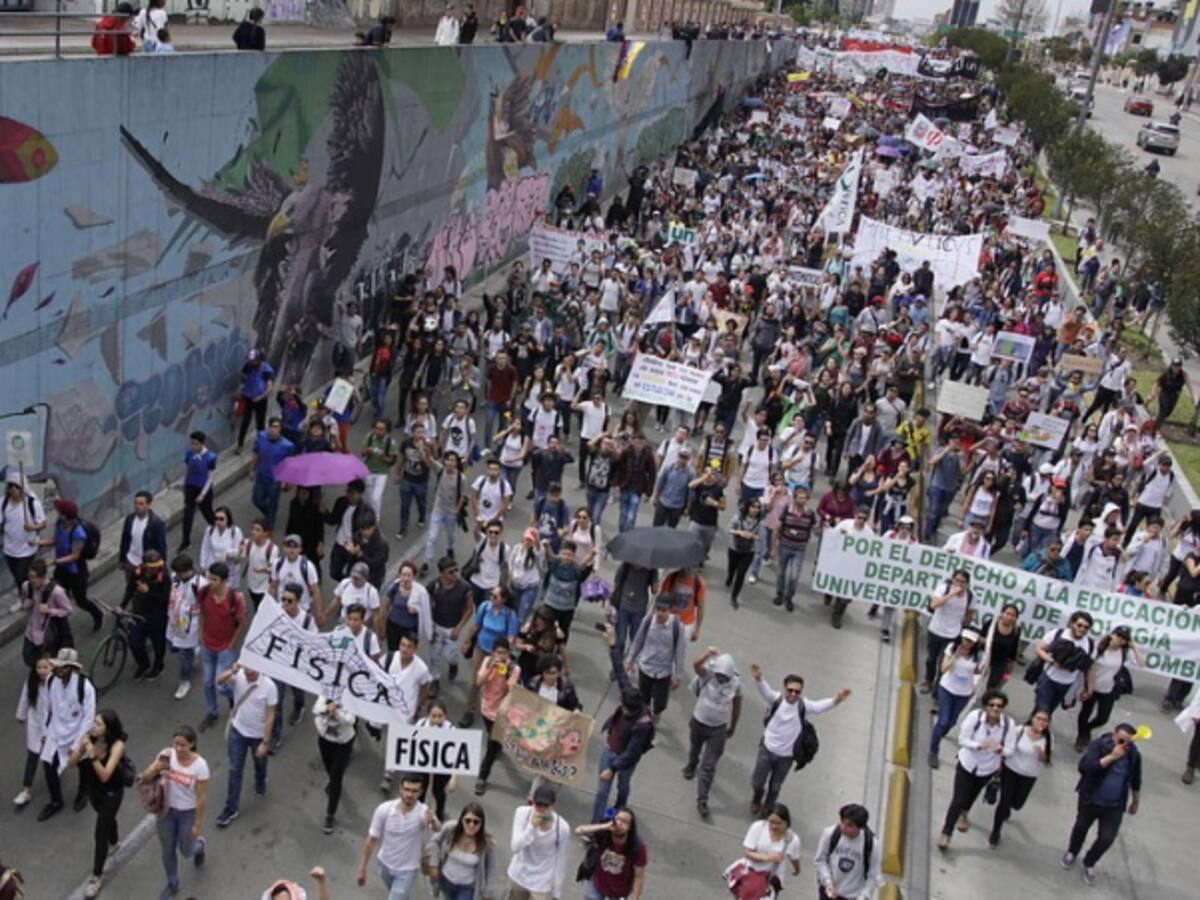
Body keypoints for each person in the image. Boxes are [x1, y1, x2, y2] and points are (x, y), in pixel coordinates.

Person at [748, 663, 851, 816]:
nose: (794, 694)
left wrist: (837, 699)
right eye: (790, 690)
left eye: (797, 691)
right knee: (757, 782)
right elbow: (765, 690)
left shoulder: (803, 706)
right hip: (767, 749)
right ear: (784, 688)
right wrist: (758, 678)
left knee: (775, 787)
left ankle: (768, 807)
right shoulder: (775, 700)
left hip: (787, 756)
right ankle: (757, 798)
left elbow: (820, 706)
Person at [1063, 723, 1142, 886]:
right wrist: (1112, 757)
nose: (1124, 745)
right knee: (1081, 827)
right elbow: (1085, 767)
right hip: (1091, 799)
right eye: (1121, 741)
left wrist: (1135, 800)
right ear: (1114, 735)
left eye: (1128, 742)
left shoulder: (1133, 754)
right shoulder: (1098, 746)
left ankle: (1090, 862)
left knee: (1107, 838)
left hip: (1115, 804)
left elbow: (1136, 779)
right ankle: (1072, 852)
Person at [595, 625, 658, 823]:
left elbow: (631, 752)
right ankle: (596, 825)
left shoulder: (643, 725)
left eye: (625, 709)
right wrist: (613, 644)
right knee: (601, 792)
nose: (621, 709)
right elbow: (620, 671)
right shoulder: (629, 693)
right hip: (610, 747)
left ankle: (618, 809)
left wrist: (613, 768)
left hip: (625, 758)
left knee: (623, 785)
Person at [936, 689, 1011, 850]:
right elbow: (963, 739)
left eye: (999, 706)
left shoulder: (1007, 725)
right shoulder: (975, 718)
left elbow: (1010, 750)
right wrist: (978, 745)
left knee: (973, 794)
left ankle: (965, 813)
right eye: (992, 705)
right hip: (967, 763)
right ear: (985, 706)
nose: (995, 709)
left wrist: (1001, 750)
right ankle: (946, 832)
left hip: (987, 768)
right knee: (958, 799)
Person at [66, 709, 128, 899]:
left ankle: (96, 876)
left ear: (107, 728)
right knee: (107, 819)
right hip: (94, 791)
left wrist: (92, 755)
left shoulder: (117, 745)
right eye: (94, 722)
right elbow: (70, 763)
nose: (93, 726)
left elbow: (105, 775)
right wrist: (80, 748)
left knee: (100, 833)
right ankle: (115, 841)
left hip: (112, 791)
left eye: (98, 724)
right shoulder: (89, 738)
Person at [142, 725, 209, 900]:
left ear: (192, 744)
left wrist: (198, 824)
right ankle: (172, 883)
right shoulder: (166, 756)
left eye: (183, 745)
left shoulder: (200, 766)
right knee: (167, 849)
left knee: (186, 850)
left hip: (188, 812)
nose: (179, 749)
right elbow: (144, 779)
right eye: (176, 744)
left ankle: (199, 846)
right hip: (167, 811)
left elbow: (201, 798)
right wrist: (155, 767)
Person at [214, 663, 278, 829]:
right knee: (235, 769)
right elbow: (219, 682)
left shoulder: (269, 686)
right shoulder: (239, 675)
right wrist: (232, 671)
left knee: (260, 763)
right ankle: (231, 808)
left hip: (258, 735)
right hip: (238, 731)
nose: (248, 673)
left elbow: (270, 716)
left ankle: (260, 780)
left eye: (252, 670)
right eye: (246, 669)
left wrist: (265, 742)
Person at [357, 772, 440, 898]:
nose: (409, 794)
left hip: (407, 870)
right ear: (400, 788)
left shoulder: (423, 812)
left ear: (421, 792)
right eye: (406, 789)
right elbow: (371, 839)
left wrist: (432, 820)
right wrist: (362, 867)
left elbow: (437, 829)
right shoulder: (384, 809)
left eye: (414, 791)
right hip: (384, 865)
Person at [38, 648, 96, 820]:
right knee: (49, 765)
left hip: (77, 733)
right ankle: (56, 801)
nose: (58, 670)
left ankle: (83, 793)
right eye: (57, 666)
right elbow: (48, 708)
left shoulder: (84, 687)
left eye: (63, 667)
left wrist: (77, 743)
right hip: (56, 733)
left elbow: (88, 717)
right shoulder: (51, 681)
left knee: (83, 766)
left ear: (71, 668)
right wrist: (45, 732)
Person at [684, 647, 741, 819]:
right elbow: (695, 665)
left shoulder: (736, 685)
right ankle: (691, 764)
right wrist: (706, 655)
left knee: (708, 766)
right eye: (719, 674)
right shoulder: (708, 675)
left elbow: (737, 706)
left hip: (718, 729)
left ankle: (702, 800)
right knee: (695, 747)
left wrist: (733, 726)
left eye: (724, 676)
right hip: (699, 721)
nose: (720, 678)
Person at [196, 562, 248, 732]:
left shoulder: (235, 599)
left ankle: (236, 698)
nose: (210, 582)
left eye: (215, 579)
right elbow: (202, 613)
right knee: (207, 682)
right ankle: (212, 712)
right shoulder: (203, 593)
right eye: (209, 578)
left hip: (225, 647)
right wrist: (200, 635)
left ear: (224, 581)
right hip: (207, 645)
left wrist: (232, 643)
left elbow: (240, 623)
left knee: (222, 685)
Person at [989, 708, 1051, 849]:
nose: (1041, 722)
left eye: (1045, 720)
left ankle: (1008, 809)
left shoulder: (1047, 738)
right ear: (1032, 718)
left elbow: (1047, 760)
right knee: (1004, 802)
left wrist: (1042, 755)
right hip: (1011, 770)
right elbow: (1006, 747)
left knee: (1017, 803)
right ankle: (995, 831)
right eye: (1039, 718)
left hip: (1029, 775)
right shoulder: (1019, 731)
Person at [44, 498, 103, 632]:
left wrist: (54, 561)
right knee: (54, 594)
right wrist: (37, 543)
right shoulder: (59, 523)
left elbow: (75, 556)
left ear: (65, 515)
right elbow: (55, 540)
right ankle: (59, 625)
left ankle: (97, 614)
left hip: (76, 572)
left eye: (59, 511)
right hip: (61, 570)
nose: (57, 513)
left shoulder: (78, 533)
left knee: (81, 601)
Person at [471, 637, 520, 796]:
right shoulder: (487, 661)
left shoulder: (514, 669)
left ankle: (482, 776)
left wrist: (504, 674)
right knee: (493, 737)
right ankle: (497, 745)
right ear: (493, 652)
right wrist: (490, 668)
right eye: (498, 652)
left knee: (491, 748)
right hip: (486, 709)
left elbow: (509, 691)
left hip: (502, 713)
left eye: (505, 652)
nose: (502, 656)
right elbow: (478, 683)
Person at [928, 629, 985, 768]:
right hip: (947, 688)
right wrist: (955, 656)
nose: (967, 643)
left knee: (952, 721)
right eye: (965, 640)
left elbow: (978, 672)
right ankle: (933, 751)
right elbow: (943, 669)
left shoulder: (978, 655)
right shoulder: (952, 648)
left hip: (964, 693)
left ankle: (941, 732)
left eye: (971, 641)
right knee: (943, 720)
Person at [506, 783, 571, 900]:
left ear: (553, 806)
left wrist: (556, 891)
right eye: (538, 804)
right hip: (518, 876)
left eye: (546, 805)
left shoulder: (562, 828)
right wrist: (531, 827)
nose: (541, 809)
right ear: (533, 802)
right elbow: (515, 847)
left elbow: (561, 860)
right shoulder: (522, 813)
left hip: (541, 884)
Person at [724, 803, 802, 899]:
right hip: (750, 872)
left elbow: (794, 858)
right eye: (771, 822)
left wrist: (796, 869)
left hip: (770, 879)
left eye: (779, 823)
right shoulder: (758, 827)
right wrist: (769, 858)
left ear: (787, 822)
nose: (774, 826)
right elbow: (747, 852)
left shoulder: (792, 840)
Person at [626, 595, 686, 719]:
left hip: (664, 671)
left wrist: (678, 675)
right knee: (643, 699)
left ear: (670, 610)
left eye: (663, 610)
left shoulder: (677, 626)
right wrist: (630, 660)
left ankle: (656, 713)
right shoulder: (648, 621)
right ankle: (645, 718)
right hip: (646, 667)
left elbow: (680, 652)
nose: (659, 613)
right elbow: (638, 641)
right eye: (657, 609)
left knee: (660, 703)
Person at [575, 807, 647, 900]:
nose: (619, 823)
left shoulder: (638, 847)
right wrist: (605, 826)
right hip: (598, 883)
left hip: (620, 890)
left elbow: (639, 877)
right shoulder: (604, 833)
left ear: (630, 828)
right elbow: (578, 831)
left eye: (624, 822)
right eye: (618, 819)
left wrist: (635, 898)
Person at [813, 803, 883, 900]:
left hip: (853, 896)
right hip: (828, 892)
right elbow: (820, 860)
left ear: (860, 827)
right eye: (842, 822)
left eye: (849, 825)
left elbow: (873, 875)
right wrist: (828, 882)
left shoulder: (871, 844)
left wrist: (863, 896)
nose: (843, 827)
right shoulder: (830, 834)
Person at [429, 802, 496, 899]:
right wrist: (434, 864)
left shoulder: (487, 842)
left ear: (482, 824)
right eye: (468, 820)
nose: (471, 825)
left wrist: (488, 892)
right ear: (461, 820)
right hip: (446, 881)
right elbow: (435, 841)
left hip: (467, 888)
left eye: (476, 822)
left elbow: (491, 868)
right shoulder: (450, 828)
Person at [1033, 610, 1095, 716]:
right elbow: (1039, 648)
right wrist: (1052, 661)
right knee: (1042, 708)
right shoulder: (1058, 634)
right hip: (1049, 678)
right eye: (1079, 625)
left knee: (1049, 710)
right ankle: (1033, 728)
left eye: (1086, 627)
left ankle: (1035, 726)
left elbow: (1089, 667)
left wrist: (1089, 687)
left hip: (1067, 683)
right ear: (1072, 623)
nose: (1082, 629)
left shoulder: (1089, 643)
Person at [921, 570, 973, 694]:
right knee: (931, 659)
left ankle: (937, 689)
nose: (960, 584)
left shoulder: (970, 596)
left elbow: (970, 613)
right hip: (935, 630)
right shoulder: (943, 589)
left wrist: (966, 625)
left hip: (952, 634)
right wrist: (951, 594)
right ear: (952, 580)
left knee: (943, 663)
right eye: (957, 580)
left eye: (963, 582)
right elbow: (933, 605)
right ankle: (928, 680)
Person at [122, 549, 170, 680]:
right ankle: (143, 664)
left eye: (157, 566)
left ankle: (158, 666)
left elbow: (165, 598)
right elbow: (130, 590)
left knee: (158, 643)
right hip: (139, 612)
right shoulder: (137, 573)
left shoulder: (164, 576)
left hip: (157, 615)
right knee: (134, 642)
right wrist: (122, 605)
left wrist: (148, 592)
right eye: (151, 567)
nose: (155, 569)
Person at [14, 655, 53, 810]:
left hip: (51, 727)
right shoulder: (31, 682)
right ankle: (26, 790)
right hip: (36, 724)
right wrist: (21, 715)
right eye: (39, 668)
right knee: (32, 756)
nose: (42, 671)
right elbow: (25, 698)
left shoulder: (55, 683)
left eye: (45, 667)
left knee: (49, 758)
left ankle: (54, 784)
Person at [18, 557, 73, 668]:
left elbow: (68, 610)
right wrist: (25, 603)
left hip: (49, 633)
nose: (32, 580)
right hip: (31, 631)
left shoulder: (56, 592)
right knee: (28, 658)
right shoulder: (27, 586)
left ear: (42, 577)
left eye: (34, 577)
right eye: (30, 577)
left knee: (48, 664)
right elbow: (24, 600)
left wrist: (50, 611)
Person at [314, 693, 356, 835]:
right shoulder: (325, 694)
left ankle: (330, 815)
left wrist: (336, 713)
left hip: (343, 743)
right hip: (325, 740)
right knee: (330, 770)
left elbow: (350, 720)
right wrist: (327, 708)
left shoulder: (351, 699)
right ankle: (332, 782)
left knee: (336, 776)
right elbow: (316, 709)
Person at [250, 418, 294, 531]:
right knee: (256, 500)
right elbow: (256, 453)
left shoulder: (287, 445)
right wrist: (252, 469)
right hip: (261, 474)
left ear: (280, 429)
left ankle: (269, 525)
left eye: (276, 427)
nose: (273, 429)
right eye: (272, 426)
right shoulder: (261, 437)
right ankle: (269, 514)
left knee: (273, 502)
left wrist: (286, 480)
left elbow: (288, 464)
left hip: (275, 479)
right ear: (268, 427)